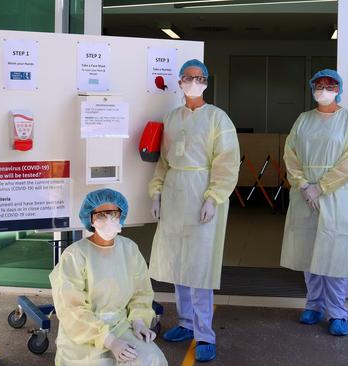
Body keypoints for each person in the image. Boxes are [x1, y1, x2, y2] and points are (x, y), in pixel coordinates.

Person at [148, 59, 240, 362]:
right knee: (178, 263)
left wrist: (214, 198)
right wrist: (157, 191)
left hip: (201, 192)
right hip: (174, 194)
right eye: (188, 77)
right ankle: (186, 322)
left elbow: (226, 161)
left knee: (199, 266)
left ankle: (204, 334)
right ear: (179, 82)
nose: (193, 82)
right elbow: (163, 160)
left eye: (198, 77)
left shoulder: (217, 118)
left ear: (206, 82)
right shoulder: (171, 117)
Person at [280, 69, 348, 336]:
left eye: (330, 85)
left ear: (338, 89)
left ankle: (338, 312)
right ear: (312, 88)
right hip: (304, 194)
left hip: (335, 196)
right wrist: (303, 184)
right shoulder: (303, 120)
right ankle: (313, 304)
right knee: (309, 251)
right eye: (319, 85)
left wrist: (322, 186)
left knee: (334, 254)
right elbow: (290, 153)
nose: (324, 89)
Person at [50, 188, 167, 366]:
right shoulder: (75, 255)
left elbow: (141, 292)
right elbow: (71, 310)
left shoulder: (129, 249)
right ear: (90, 218)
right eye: (101, 214)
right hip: (84, 333)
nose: (108, 219)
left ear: (121, 215)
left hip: (121, 326)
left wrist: (138, 320)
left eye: (113, 213)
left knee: (152, 359)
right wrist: (109, 341)